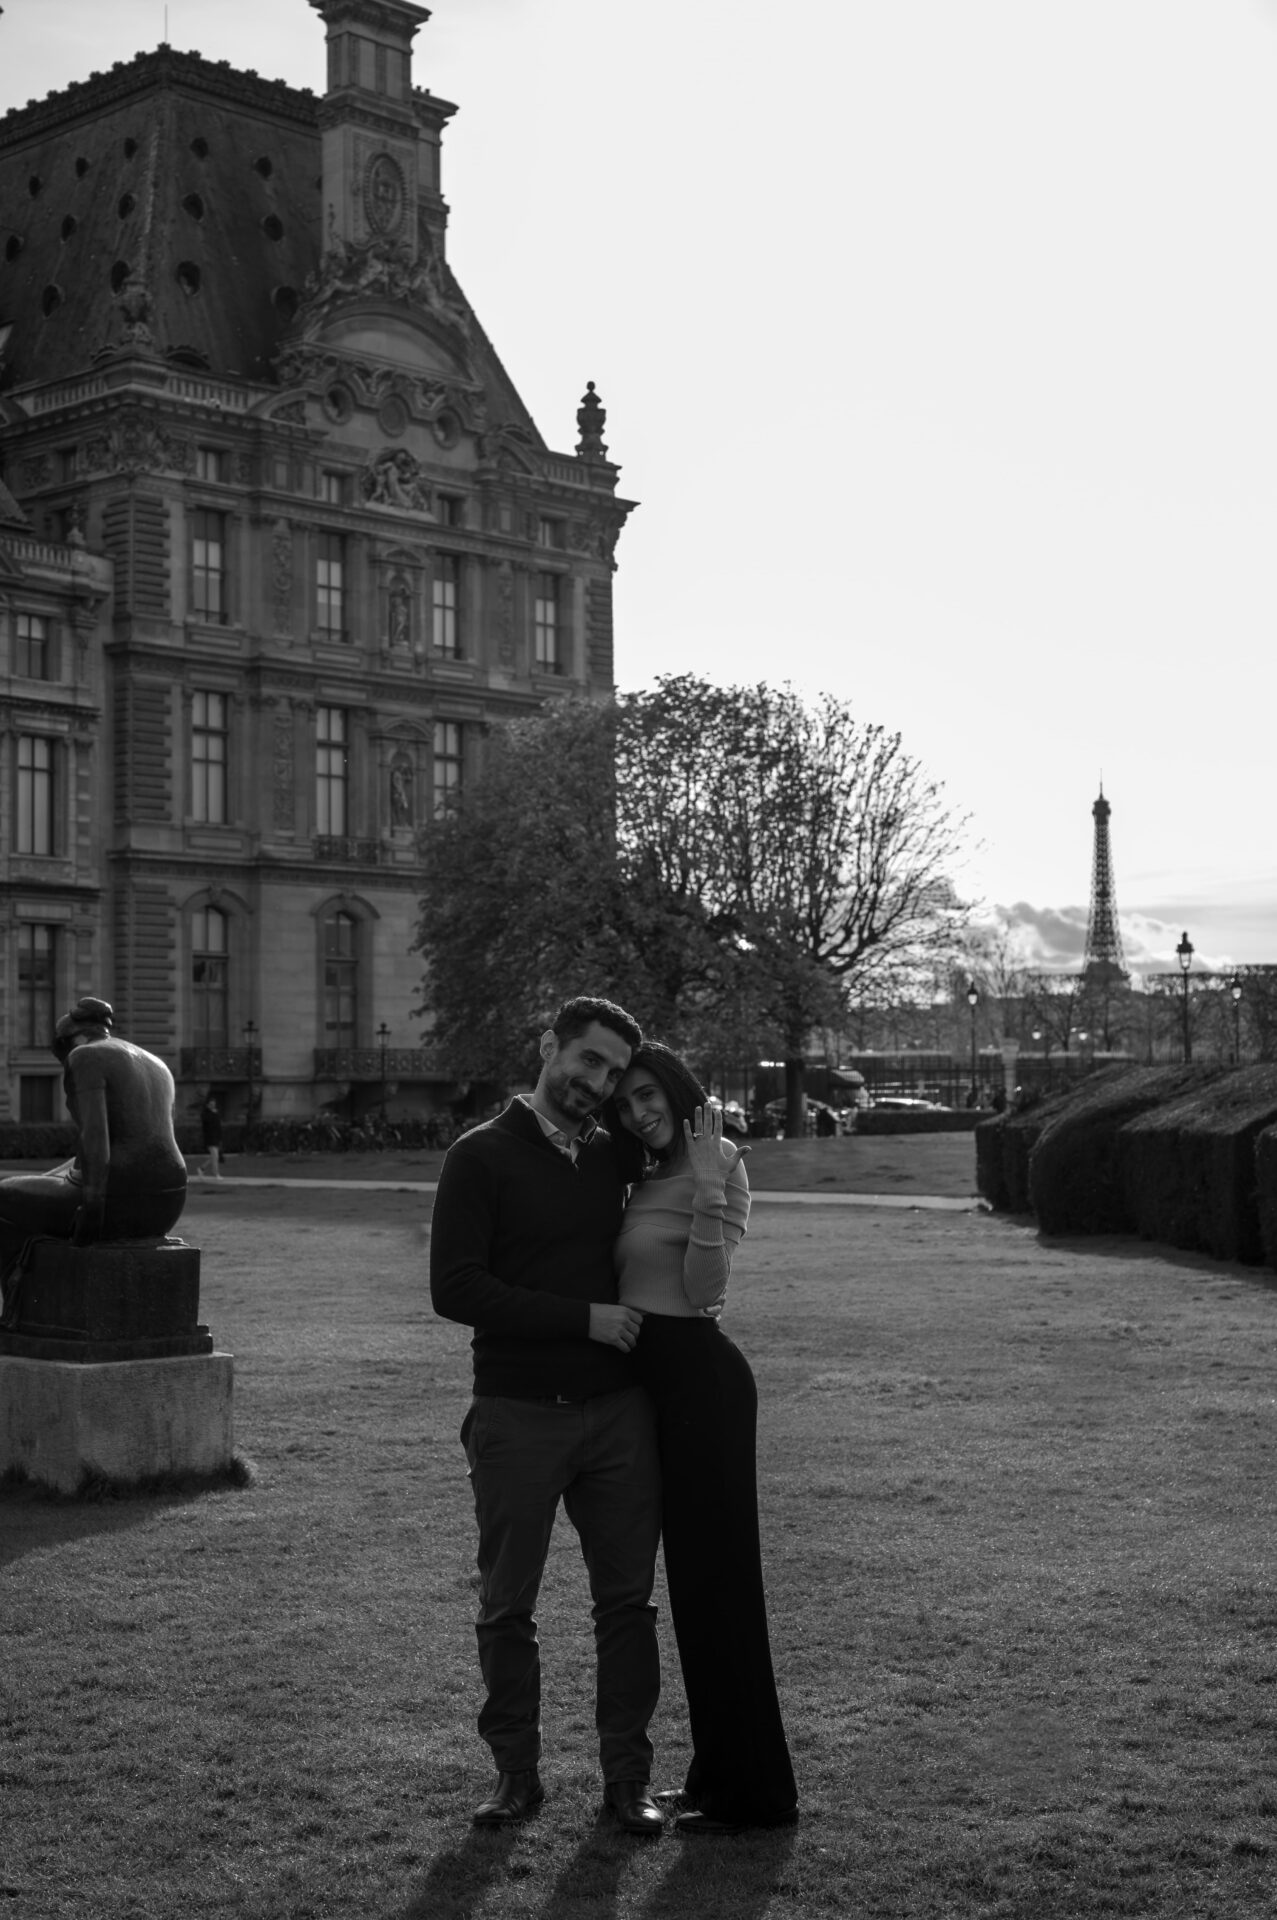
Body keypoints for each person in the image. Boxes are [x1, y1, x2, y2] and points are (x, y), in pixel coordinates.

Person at [429, 995, 666, 1836]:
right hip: (517, 1415)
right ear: (548, 1048)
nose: (597, 1083)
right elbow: (453, 1288)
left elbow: (691, 1144)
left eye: (611, 1070)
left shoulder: (616, 1157)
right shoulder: (479, 1156)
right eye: (588, 1061)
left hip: (617, 1417)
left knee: (628, 1606)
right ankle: (515, 1777)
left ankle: (626, 1782)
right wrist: (583, 1318)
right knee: (506, 1606)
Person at [604, 1042, 798, 1835]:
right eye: (624, 1102)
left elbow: (704, 1290)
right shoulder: (642, 1175)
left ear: (676, 1092)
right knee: (694, 1594)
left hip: (704, 1388)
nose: (637, 1112)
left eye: (647, 1095)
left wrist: (713, 1185)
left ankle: (756, 1796)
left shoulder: (720, 1162)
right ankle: (719, 1776)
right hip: (657, 1392)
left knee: (722, 1592)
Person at [0, 997, 188, 1312]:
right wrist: (46, 1179)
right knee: (31, 1186)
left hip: (115, 1199)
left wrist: (92, 1207)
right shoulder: (156, 1064)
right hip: (168, 1205)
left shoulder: (85, 1057)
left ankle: (20, 1311)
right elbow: (149, 1140)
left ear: (70, 1041)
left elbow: (95, 1136)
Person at [199, 1093, 223, 1180]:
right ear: (207, 1104)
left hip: (216, 1137)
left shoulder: (216, 1113)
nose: (213, 1105)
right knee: (215, 1156)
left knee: (214, 1156)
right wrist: (213, 1113)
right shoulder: (206, 1114)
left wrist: (220, 1138)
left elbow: (218, 1126)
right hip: (209, 1137)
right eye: (211, 1104)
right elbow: (207, 1123)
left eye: (214, 1104)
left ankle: (202, 1168)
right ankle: (216, 1174)